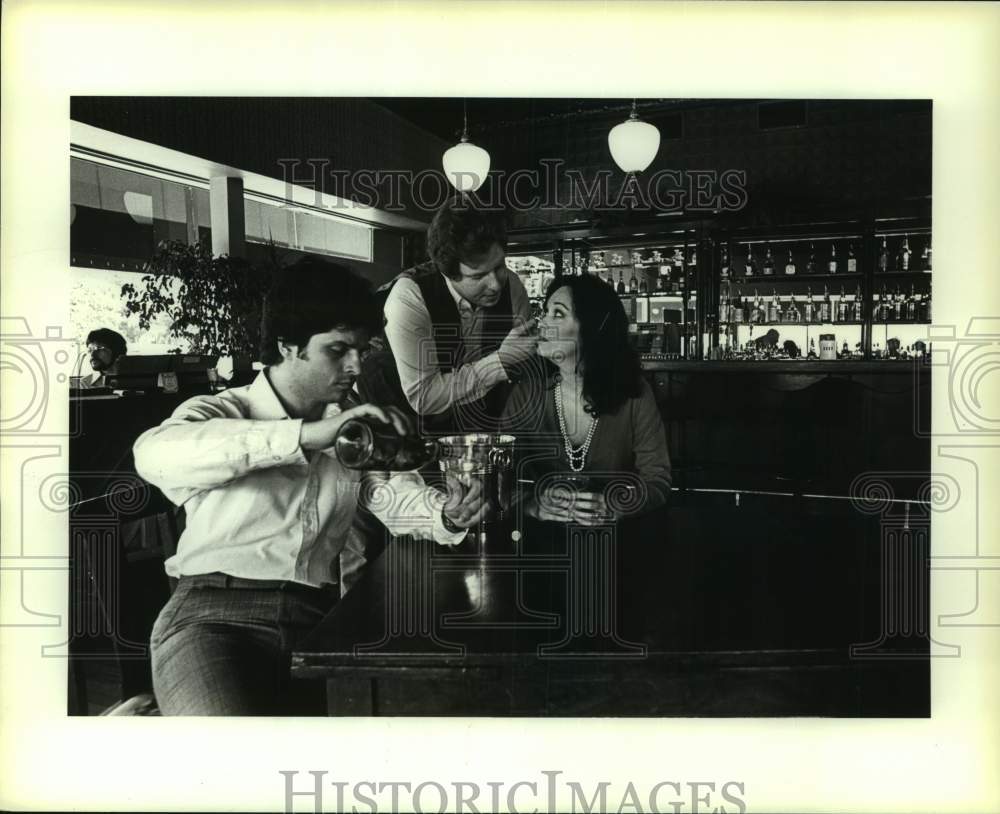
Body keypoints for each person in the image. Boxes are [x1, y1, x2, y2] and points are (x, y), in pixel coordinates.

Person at [133, 258, 488, 715]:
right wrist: (302, 436)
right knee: (229, 766)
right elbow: (154, 455)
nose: (356, 365)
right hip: (213, 617)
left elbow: (390, 494)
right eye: (338, 350)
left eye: (361, 349)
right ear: (288, 346)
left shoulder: (351, 427)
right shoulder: (221, 410)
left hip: (317, 622)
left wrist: (446, 514)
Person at [501, 273, 672, 524]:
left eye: (557, 314)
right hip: (543, 544)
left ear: (592, 326)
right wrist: (531, 504)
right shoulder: (526, 393)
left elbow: (657, 479)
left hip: (619, 542)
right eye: (544, 311)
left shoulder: (634, 393)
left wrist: (615, 504)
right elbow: (499, 475)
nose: (541, 322)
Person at [373, 197, 540, 434]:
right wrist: (499, 363)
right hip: (410, 426)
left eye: (499, 266)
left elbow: (524, 365)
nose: (495, 284)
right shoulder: (409, 298)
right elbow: (424, 397)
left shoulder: (512, 286)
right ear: (447, 273)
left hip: (485, 425)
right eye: (477, 276)